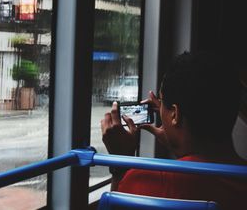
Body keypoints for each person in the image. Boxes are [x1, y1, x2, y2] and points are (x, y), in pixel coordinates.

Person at [101, 51, 247, 210]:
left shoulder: (147, 182)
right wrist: (179, 144)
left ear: (175, 114)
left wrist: (120, 164)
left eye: (162, 101)